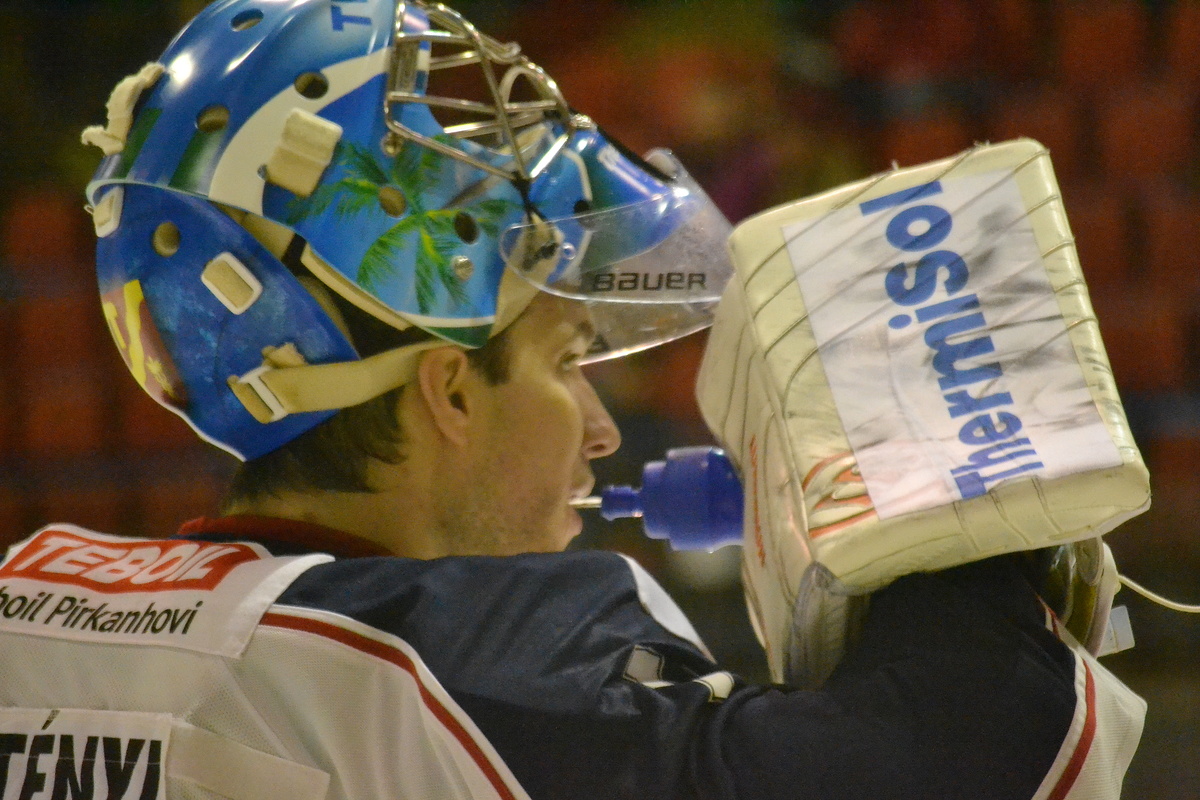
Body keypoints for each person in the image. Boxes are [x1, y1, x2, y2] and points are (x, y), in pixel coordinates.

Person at [0, 1, 1143, 798]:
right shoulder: (450, 675)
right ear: (447, 388)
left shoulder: (31, 601)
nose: (602, 428)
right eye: (567, 358)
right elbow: (997, 754)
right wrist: (941, 483)